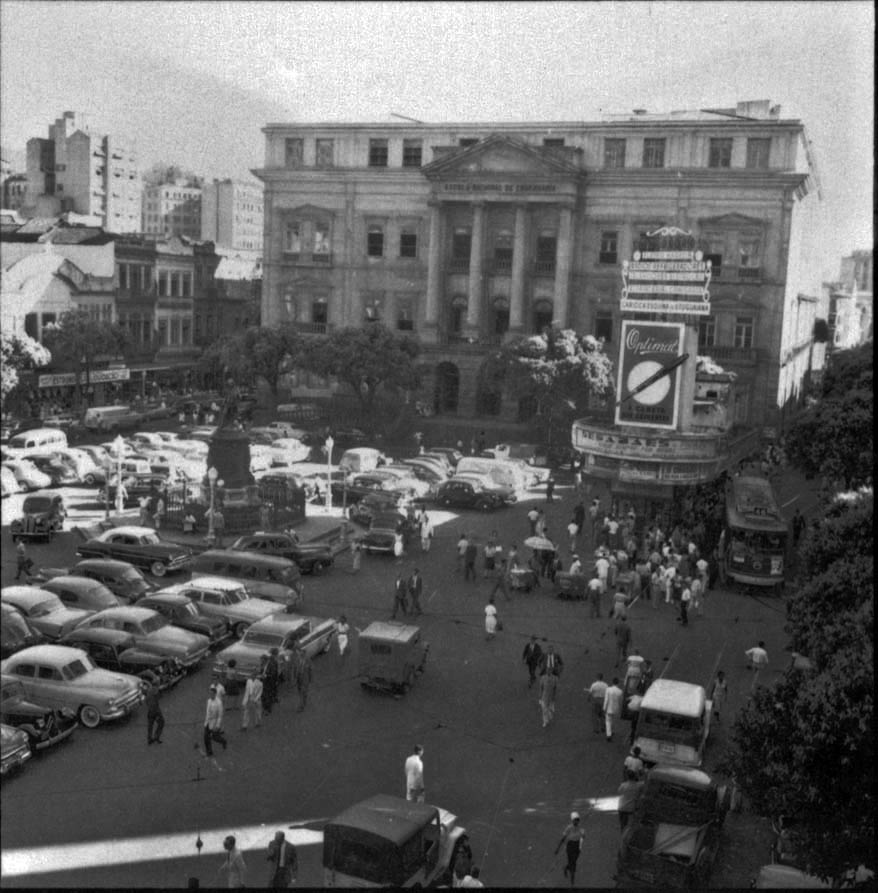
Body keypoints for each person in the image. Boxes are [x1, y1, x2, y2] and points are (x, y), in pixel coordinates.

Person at [554, 811, 585, 885]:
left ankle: (566, 868)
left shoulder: (580, 828)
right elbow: (563, 838)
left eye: (577, 820)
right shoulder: (569, 828)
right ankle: (572, 879)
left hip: (577, 846)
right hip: (570, 846)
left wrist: (583, 835)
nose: (576, 821)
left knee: (573, 861)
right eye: (575, 820)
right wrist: (558, 848)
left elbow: (583, 837)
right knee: (573, 863)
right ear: (572, 820)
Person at [203, 684, 228, 756]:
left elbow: (220, 715)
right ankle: (209, 751)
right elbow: (207, 712)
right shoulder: (208, 701)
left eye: (212, 694)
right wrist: (206, 721)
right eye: (209, 693)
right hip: (208, 722)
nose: (210, 695)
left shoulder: (219, 703)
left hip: (214, 723)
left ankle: (223, 741)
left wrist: (217, 726)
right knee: (206, 737)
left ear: (215, 694)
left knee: (215, 737)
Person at [292, 645, 312, 711]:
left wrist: (310, 680)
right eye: (298, 652)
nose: (299, 653)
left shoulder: (308, 660)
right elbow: (295, 669)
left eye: (300, 652)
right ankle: (304, 701)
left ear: (304, 653)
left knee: (302, 692)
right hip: (298, 679)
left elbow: (310, 670)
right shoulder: (297, 659)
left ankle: (301, 706)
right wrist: (294, 678)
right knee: (300, 692)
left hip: (305, 679)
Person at [603, 677, 623, 742]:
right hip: (616, 709)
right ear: (618, 683)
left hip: (609, 708)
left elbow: (606, 699)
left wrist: (604, 708)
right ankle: (612, 731)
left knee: (608, 722)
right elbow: (620, 701)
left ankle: (608, 734)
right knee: (614, 721)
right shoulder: (620, 691)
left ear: (612, 682)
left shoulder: (608, 689)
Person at [145, 680, 164, 745]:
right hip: (155, 710)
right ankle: (156, 737)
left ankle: (149, 739)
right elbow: (158, 696)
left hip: (150, 710)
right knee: (161, 722)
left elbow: (147, 700)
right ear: (157, 684)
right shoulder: (156, 689)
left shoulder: (149, 690)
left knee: (150, 725)